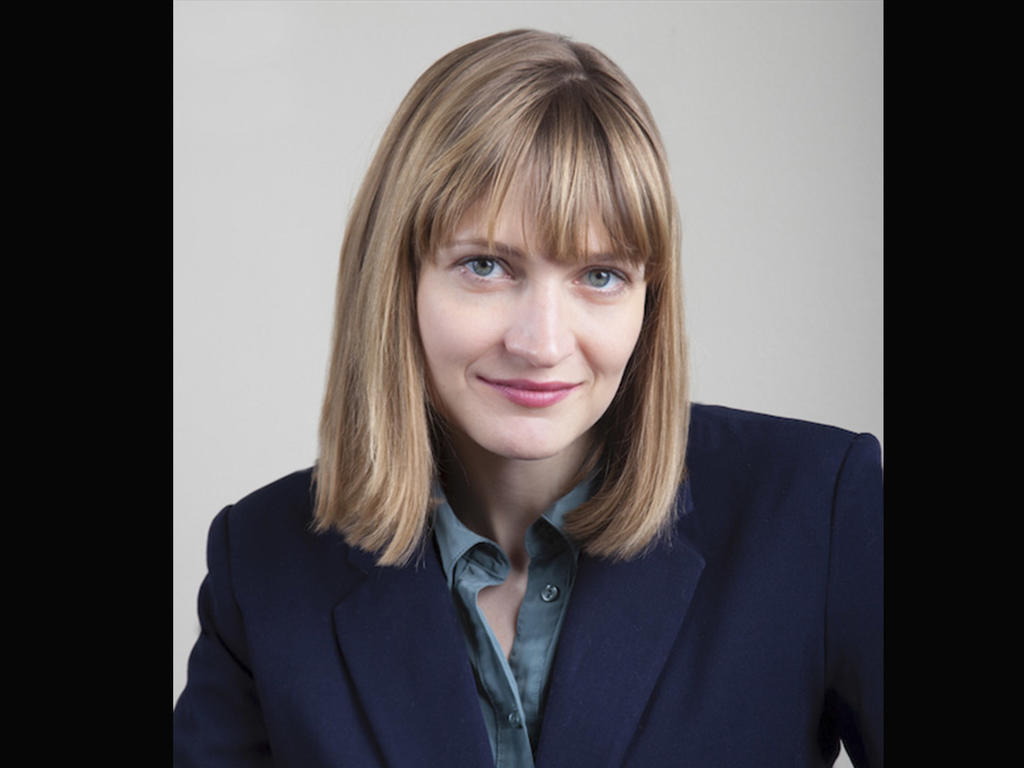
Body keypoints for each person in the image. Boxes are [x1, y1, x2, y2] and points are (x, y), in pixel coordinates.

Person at [173, 29, 882, 767]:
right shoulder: (259, 565)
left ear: (651, 299)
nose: (542, 343)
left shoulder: (817, 514)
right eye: (486, 266)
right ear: (398, 281)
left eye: (600, 275)